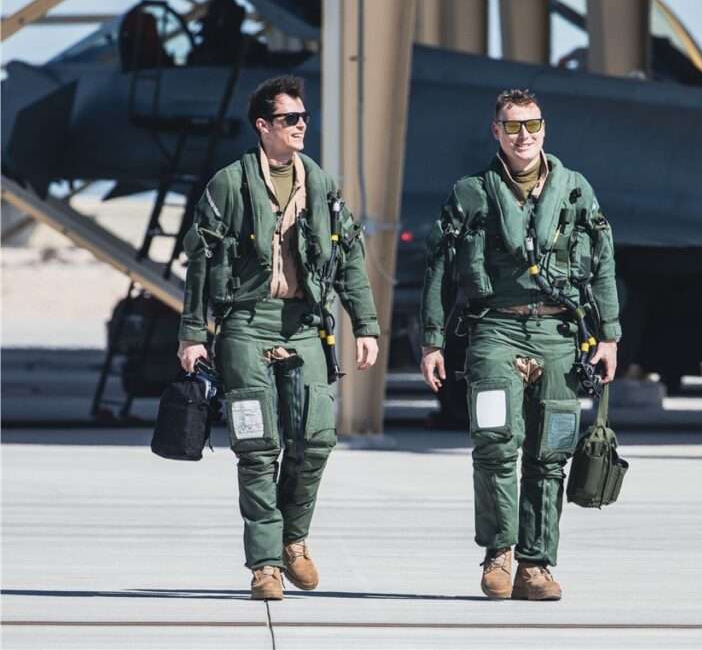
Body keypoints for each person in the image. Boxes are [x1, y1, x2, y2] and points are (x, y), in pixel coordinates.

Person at [177, 75, 380, 600]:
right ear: (263, 126)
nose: (301, 126)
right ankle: (265, 564)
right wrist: (193, 334)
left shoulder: (323, 186)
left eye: (304, 117)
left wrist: (366, 324)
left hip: (306, 323)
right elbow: (200, 262)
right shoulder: (229, 184)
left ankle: (294, 539)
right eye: (290, 119)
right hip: (246, 323)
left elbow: (350, 258)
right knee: (257, 445)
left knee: (316, 439)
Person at [419, 89, 621, 601]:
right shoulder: (472, 194)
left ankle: (537, 564)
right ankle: (499, 554)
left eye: (531, 125)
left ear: (545, 129)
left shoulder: (576, 192)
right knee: (494, 445)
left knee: (550, 452)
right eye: (512, 127)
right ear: (496, 132)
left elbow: (602, 265)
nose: (523, 136)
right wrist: (432, 341)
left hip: (558, 335)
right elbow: (441, 270)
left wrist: (611, 336)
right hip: (494, 330)